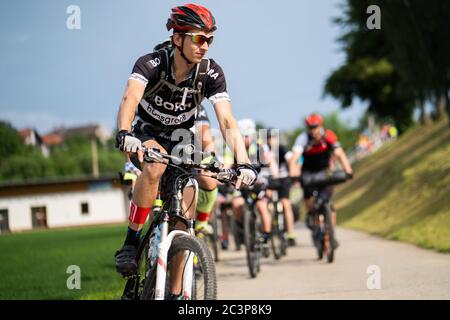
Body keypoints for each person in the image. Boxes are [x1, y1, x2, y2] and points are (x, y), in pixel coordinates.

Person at [114, 4, 258, 299]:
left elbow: (228, 120)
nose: (204, 46)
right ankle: (131, 240)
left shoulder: (211, 73)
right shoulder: (151, 63)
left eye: (210, 39)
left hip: (182, 140)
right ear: (178, 38)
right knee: (154, 166)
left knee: (188, 199)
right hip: (146, 136)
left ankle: (176, 292)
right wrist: (125, 133)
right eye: (198, 38)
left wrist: (243, 163)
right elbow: (129, 98)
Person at [289, 113, 353, 249]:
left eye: (315, 127)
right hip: (308, 171)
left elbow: (339, 153)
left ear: (321, 125)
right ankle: (311, 215)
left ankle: (331, 234)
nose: (313, 130)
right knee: (309, 200)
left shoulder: (329, 135)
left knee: (329, 203)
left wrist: (348, 171)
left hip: (324, 170)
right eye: (310, 127)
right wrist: (293, 173)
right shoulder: (303, 138)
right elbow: (295, 157)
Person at [231, 119, 272, 257]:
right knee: (237, 205)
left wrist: (272, 177)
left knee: (262, 206)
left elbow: (270, 164)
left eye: (247, 136)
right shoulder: (232, 147)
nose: (244, 139)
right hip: (241, 184)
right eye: (242, 136)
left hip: (258, 183)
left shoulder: (260, 147)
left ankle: (266, 238)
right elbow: (226, 163)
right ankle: (242, 231)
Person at [265, 128, 297, 246]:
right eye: (269, 138)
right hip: (270, 180)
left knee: (286, 204)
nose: (271, 140)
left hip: (283, 179)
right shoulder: (264, 151)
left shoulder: (282, 149)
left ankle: (290, 233)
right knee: (267, 203)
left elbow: (290, 159)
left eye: (273, 138)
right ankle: (269, 228)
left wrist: (293, 172)